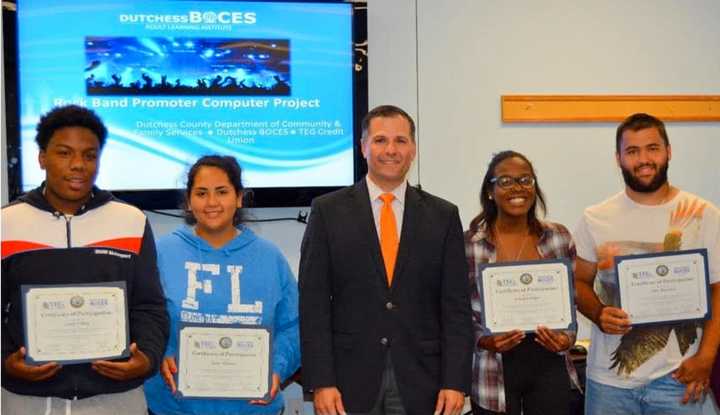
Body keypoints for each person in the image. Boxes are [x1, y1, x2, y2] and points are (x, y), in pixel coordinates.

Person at [299, 105, 473, 415]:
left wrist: (455, 381)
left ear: (413, 149)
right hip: (348, 381)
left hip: (425, 381)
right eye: (380, 140)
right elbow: (313, 304)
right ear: (363, 146)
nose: (390, 150)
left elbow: (456, 307)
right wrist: (321, 381)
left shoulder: (443, 216)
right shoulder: (327, 211)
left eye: (400, 141)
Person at [1, 105, 169, 414]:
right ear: (42, 157)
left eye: (89, 155)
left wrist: (146, 358)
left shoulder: (130, 220)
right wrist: (4, 363)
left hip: (116, 398)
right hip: (29, 400)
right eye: (64, 153)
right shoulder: (7, 223)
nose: (78, 165)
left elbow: (149, 306)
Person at [573, 113, 720, 415]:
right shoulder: (595, 217)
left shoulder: (704, 214)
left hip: (681, 378)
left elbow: (718, 289)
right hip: (609, 384)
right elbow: (578, 282)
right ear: (618, 158)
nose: (643, 159)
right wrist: (599, 313)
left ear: (669, 151)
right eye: (632, 151)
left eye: (652, 148)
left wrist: (705, 359)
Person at [143, 155, 300, 415]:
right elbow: (141, 318)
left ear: (239, 198)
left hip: (253, 409)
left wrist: (277, 369)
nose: (212, 202)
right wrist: (159, 352)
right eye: (201, 193)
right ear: (189, 202)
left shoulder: (270, 257)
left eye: (222, 192)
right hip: (175, 408)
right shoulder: (161, 253)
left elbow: (293, 326)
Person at [465, 150, 580, 415]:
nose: (517, 188)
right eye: (505, 181)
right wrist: (483, 340)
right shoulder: (469, 244)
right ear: (490, 191)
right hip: (493, 371)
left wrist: (566, 339)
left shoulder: (559, 237)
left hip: (549, 366)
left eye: (525, 180)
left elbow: (570, 303)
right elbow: (456, 312)